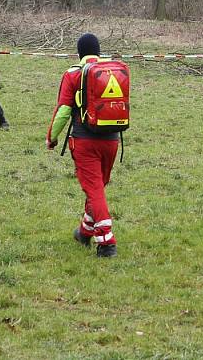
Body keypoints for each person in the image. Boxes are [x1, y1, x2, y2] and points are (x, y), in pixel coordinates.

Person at [46, 33, 118, 258]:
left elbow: (64, 110)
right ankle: (85, 231)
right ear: (98, 51)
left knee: (94, 189)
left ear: (79, 52)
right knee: (97, 187)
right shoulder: (110, 72)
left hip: (85, 141)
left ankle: (106, 241)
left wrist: (52, 136)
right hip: (112, 139)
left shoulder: (73, 74)